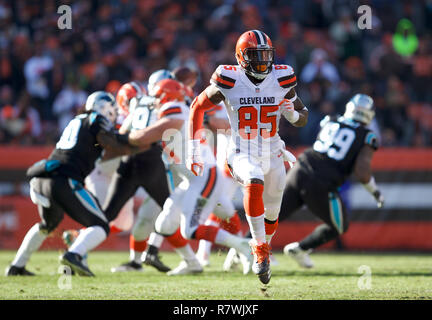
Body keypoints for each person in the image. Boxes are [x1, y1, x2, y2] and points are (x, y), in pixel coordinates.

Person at [187, 30, 308, 284]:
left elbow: (302, 116)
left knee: (272, 214)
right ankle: (259, 249)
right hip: (241, 150)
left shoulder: (282, 77)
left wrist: (293, 115)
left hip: (273, 152)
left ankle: (262, 243)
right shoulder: (230, 79)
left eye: (266, 55)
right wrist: (193, 148)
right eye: (256, 56)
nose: (263, 61)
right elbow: (197, 106)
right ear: (242, 57)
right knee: (253, 180)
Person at [123, 78, 252, 275]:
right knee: (164, 224)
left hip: (203, 177)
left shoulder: (174, 109)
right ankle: (192, 263)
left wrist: (129, 136)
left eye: (158, 96)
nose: (155, 100)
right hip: (192, 179)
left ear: (167, 96)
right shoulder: (177, 108)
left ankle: (243, 245)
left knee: (190, 229)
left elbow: (148, 135)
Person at [5, 91, 136, 277]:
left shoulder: (77, 120)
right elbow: (110, 143)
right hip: (64, 179)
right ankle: (73, 255)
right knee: (100, 226)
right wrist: (133, 140)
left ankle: (17, 266)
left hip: (43, 176)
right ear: (106, 109)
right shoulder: (96, 119)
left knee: (48, 225)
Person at [281, 94, 384, 268]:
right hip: (321, 181)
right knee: (340, 226)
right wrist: (375, 192)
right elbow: (362, 172)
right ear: (369, 115)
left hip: (300, 167)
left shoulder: (331, 120)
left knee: (273, 215)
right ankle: (300, 249)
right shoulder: (367, 135)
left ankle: (243, 247)